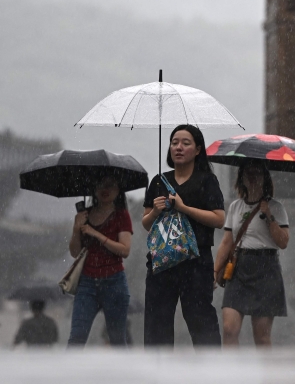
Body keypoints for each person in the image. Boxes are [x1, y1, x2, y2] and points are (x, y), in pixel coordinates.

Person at [142, 124, 225, 347]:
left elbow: (219, 219)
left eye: (185, 143)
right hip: (162, 262)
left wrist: (184, 207)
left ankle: (211, 373)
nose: (178, 147)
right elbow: (146, 222)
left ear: (198, 149)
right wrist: (156, 211)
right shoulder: (159, 181)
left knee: (201, 323)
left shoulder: (207, 181)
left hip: (196, 263)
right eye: (174, 142)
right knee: (156, 325)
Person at [214, 162, 289, 348]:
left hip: (266, 269)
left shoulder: (276, 207)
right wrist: (215, 270)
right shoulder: (235, 207)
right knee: (229, 329)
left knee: (262, 337)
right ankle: (233, 376)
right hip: (239, 267)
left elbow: (283, 242)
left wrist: (269, 216)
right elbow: (227, 241)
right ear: (241, 179)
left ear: (265, 178)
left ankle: (266, 377)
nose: (252, 177)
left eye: (257, 173)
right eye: (248, 173)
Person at [67, 174, 133, 348]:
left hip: (114, 282)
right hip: (87, 283)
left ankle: (124, 374)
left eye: (110, 185)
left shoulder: (122, 215)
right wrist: (76, 228)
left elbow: (124, 250)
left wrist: (96, 233)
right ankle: (67, 373)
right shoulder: (84, 216)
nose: (105, 190)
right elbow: (75, 252)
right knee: (76, 338)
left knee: (118, 339)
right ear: (93, 190)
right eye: (101, 185)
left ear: (118, 190)